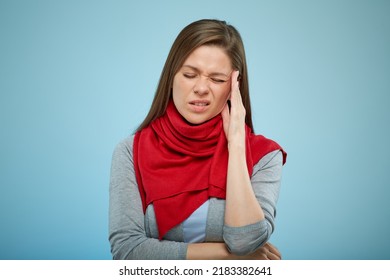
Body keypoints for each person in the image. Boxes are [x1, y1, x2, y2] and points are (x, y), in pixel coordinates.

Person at [109, 19, 287, 260]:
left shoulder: (264, 155)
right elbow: (128, 252)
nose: (201, 88)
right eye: (190, 74)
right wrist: (233, 258)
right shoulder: (131, 151)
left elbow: (245, 240)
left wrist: (236, 145)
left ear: (234, 87)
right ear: (171, 76)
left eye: (217, 79)